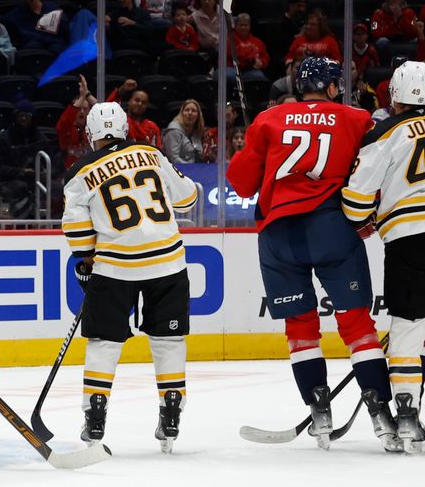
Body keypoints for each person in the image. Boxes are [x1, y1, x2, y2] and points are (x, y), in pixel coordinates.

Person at [226, 57, 394, 451]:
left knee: (300, 329)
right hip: (331, 228)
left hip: (278, 234)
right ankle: (381, 414)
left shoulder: (269, 119)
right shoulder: (356, 118)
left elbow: (241, 182)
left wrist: (259, 142)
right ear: (332, 86)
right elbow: (375, 167)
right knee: (357, 325)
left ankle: (319, 411)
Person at [61, 101, 198, 453]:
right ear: (124, 129)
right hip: (168, 261)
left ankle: (94, 418)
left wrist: (85, 261)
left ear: (90, 134)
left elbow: (77, 232)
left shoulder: (79, 172)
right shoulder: (150, 153)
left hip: (115, 267)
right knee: (168, 342)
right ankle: (171, 414)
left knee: (104, 344)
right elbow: (188, 198)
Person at [341, 61, 425, 453]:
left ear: (394, 95)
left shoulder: (385, 131)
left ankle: (406, 415)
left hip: (409, 238)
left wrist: (366, 218)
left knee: (408, 324)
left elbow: (357, 198)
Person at [163, 99, 208, 163]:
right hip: (179, 169)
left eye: (193, 111)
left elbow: (199, 155)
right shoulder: (173, 131)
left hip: (196, 168)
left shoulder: (197, 131)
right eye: (187, 110)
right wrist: (190, 168)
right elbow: (173, 158)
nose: (190, 113)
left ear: (198, 115)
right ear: (181, 113)